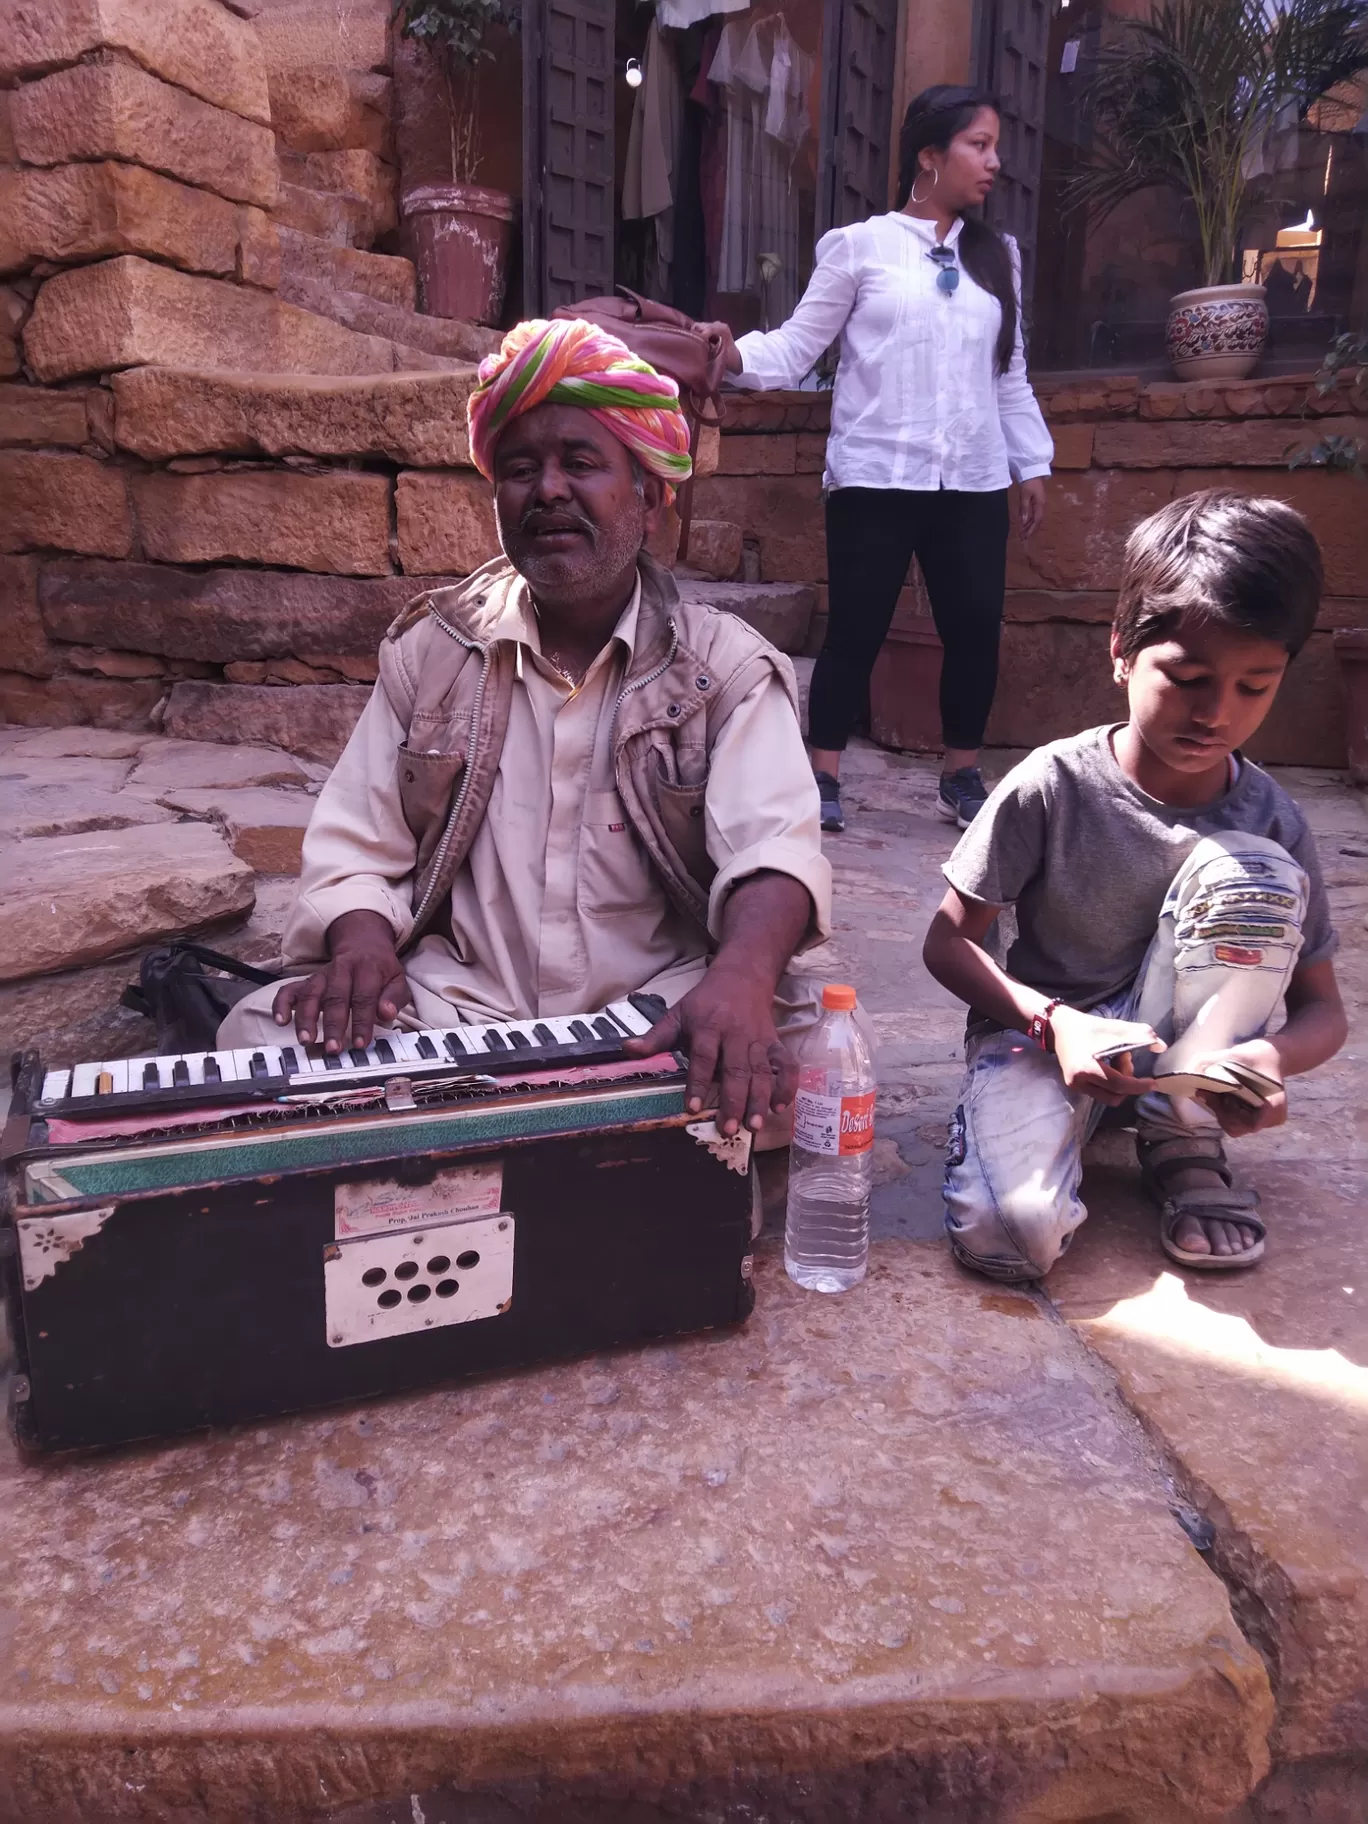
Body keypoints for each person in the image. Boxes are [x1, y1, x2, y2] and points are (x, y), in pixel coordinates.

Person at [218, 318, 832, 1142]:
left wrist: (744, 977)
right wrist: (362, 945)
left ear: (649, 498)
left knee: (815, 1057)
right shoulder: (433, 652)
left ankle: (468, 1134)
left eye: (581, 463)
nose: (547, 490)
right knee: (256, 1039)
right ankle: (582, 1136)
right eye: (519, 469)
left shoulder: (723, 668)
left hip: (652, 1008)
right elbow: (359, 844)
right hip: (459, 1011)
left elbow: (774, 851)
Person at [922, 490, 1345, 1278]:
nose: (1216, 712)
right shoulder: (1053, 783)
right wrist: (1054, 1025)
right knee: (1009, 1238)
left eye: (1255, 686)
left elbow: (1324, 1013)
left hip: (1186, 1051)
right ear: (1120, 651)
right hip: (1045, 1035)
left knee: (1251, 872)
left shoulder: (1271, 815)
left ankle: (1178, 1123)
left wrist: (1270, 1060)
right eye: (1187, 676)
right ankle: (1055, 1120)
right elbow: (948, 945)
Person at [715, 84, 1054, 835]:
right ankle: (824, 772)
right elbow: (799, 345)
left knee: (974, 626)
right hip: (874, 473)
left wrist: (1030, 462)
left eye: (995, 146)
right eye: (979, 145)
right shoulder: (859, 247)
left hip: (971, 474)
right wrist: (729, 352)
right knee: (856, 629)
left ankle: (961, 774)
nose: (994, 162)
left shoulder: (1000, 258)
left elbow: (1010, 371)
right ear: (930, 158)